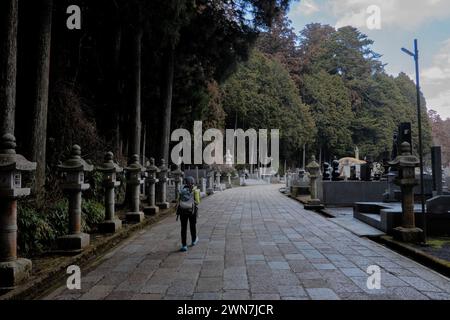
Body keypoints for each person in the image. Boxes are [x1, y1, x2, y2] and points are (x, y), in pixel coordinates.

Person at [176, 176, 200, 252]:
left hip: (182, 211)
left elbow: (178, 200)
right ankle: (193, 240)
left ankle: (184, 245)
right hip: (192, 211)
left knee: (183, 228)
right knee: (192, 226)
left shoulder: (182, 190)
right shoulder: (195, 190)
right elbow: (197, 202)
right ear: (193, 182)